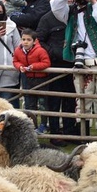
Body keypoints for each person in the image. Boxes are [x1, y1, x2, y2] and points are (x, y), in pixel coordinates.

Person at [51, 0, 97, 137]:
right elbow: (56, 4)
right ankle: (83, 138)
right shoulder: (69, 12)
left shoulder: (96, 9)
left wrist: (92, 1)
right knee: (82, 102)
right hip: (81, 64)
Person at [35, 8, 75, 146]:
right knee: (54, 101)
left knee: (70, 101)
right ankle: (55, 133)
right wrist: (53, 52)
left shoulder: (73, 15)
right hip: (54, 66)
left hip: (72, 65)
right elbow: (39, 39)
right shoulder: (47, 18)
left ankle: (70, 133)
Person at [13, 28, 51, 114]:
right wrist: (20, 67)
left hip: (41, 80)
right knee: (30, 103)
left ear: (34, 41)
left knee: (43, 103)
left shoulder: (40, 51)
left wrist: (33, 67)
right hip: (28, 79)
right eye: (23, 39)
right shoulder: (18, 51)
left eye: (28, 40)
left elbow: (46, 63)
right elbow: (15, 61)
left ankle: (43, 124)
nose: (25, 42)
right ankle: (32, 123)